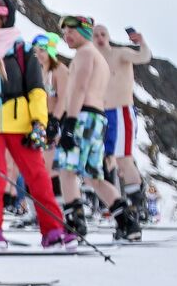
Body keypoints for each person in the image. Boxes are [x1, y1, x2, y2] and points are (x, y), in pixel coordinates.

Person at [0, 0, 73, 251]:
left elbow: (37, 91)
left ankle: (54, 230)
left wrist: (39, 123)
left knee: (37, 176)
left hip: (23, 126)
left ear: (6, 18)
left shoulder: (24, 52)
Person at [55, 15, 141, 240]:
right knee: (95, 176)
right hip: (97, 118)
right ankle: (127, 222)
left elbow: (80, 87)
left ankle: (75, 223)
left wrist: (70, 123)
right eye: (64, 33)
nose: (67, 36)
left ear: (83, 32)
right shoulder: (100, 58)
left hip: (81, 116)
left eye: (71, 31)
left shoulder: (84, 54)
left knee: (67, 170)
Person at [94, 24, 152, 221]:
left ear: (108, 36)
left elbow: (144, 57)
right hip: (101, 114)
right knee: (105, 159)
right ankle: (112, 203)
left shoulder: (120, 54)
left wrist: (141, 42)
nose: (100, 38)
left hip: (121, 112)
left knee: (123, 158)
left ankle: (138, 204)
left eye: (103, 34)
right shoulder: (91, 59)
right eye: (96, 35)